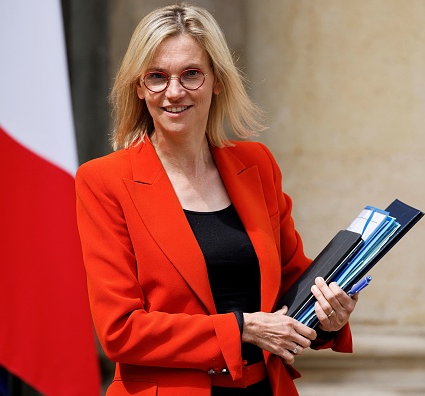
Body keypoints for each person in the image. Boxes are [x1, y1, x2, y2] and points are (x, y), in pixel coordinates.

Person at [75, 4, 358, 396]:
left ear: (217, 81)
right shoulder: (103, 181)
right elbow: (120, 330)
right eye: (157, 77)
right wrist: (242, 329)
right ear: (139, 88)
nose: (174, 92)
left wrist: (330, 316)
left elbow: (294, 282)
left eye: (191, 74)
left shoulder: (256, 164)